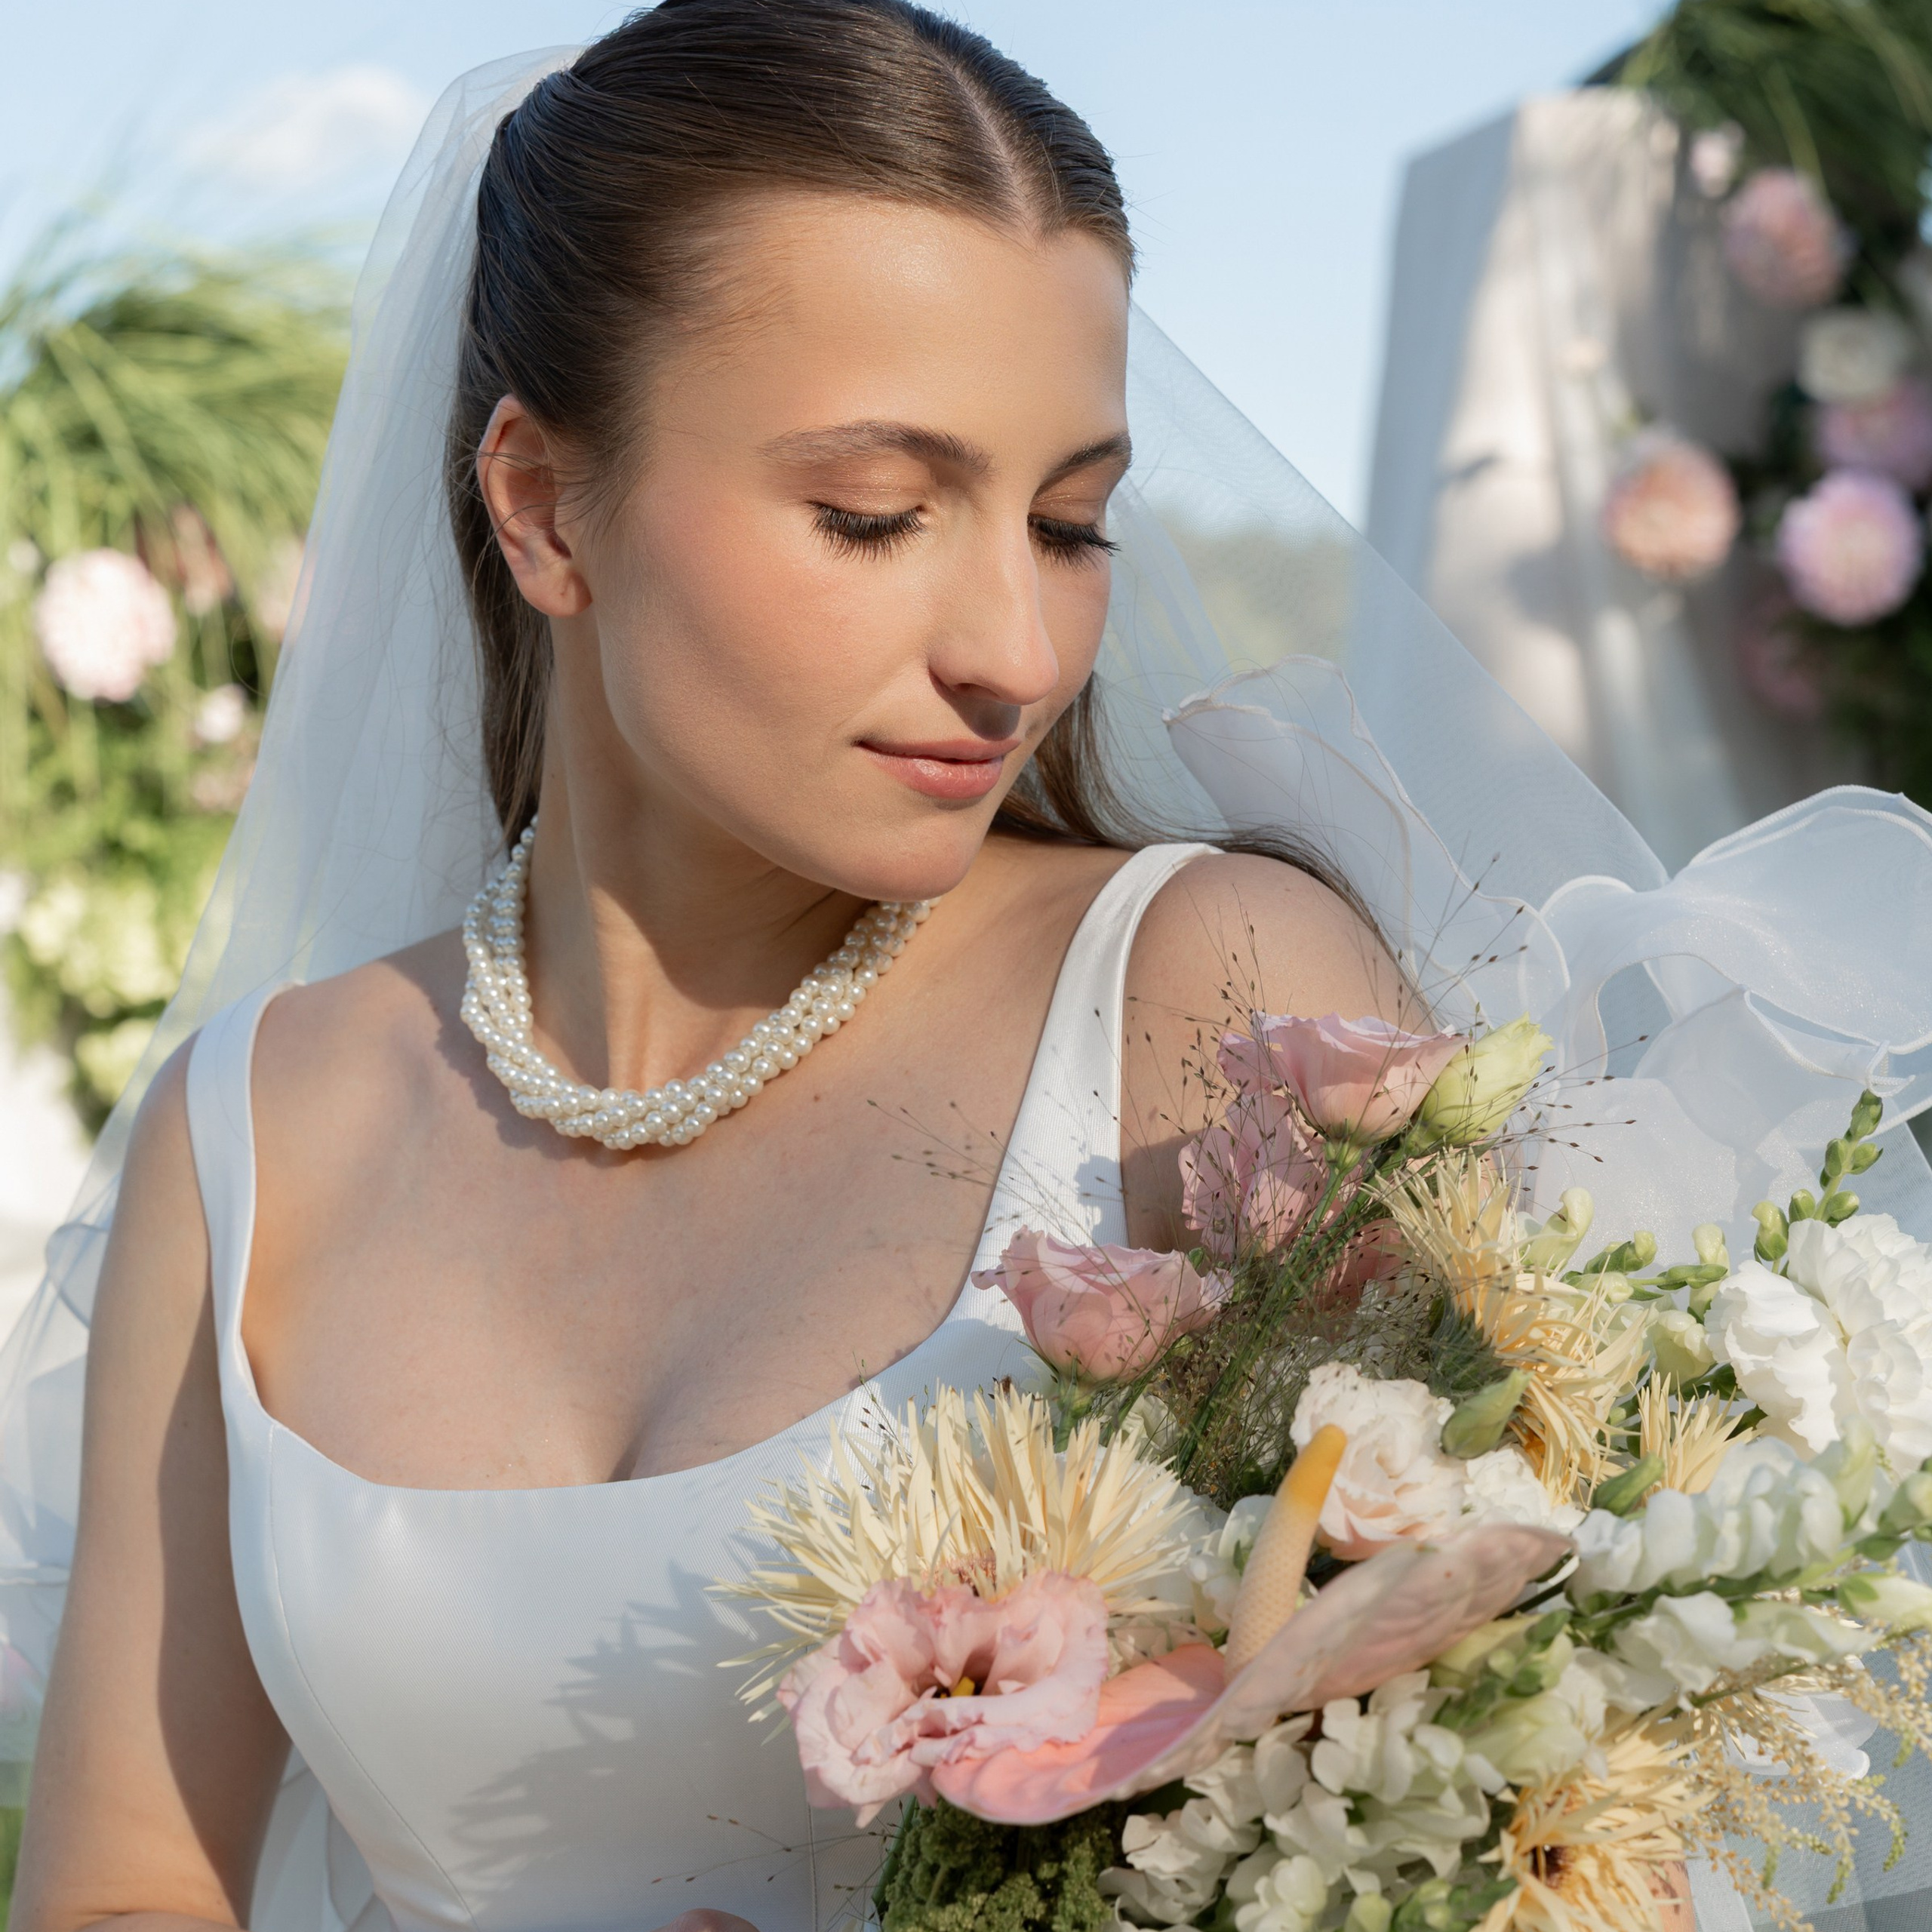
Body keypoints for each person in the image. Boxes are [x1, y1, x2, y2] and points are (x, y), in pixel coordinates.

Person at [6, 5, 1930, 1931]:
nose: (1014, 643)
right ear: (539, 501)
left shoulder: (1209, 1007)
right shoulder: (255, 1128)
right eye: (873, 513)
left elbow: (1493, 1807)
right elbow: (123, 1886)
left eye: (1070, 521)